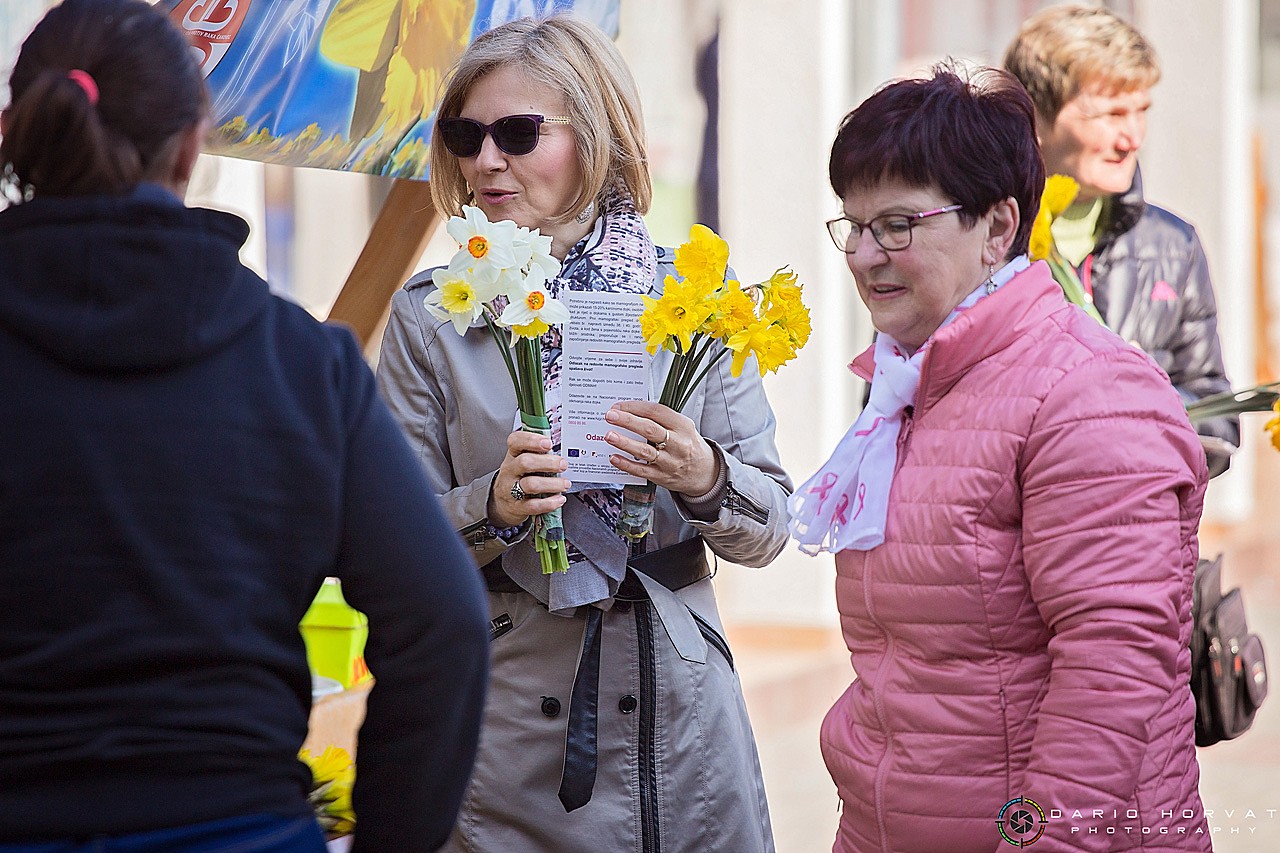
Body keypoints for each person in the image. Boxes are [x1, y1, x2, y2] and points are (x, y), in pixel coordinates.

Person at [0, 1, 489, 851]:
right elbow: (444, 623)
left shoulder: (301, 360)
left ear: (17, 129)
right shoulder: (300, 362)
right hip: (242, 825)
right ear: (194, 144)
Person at [376, 15, 789, 852]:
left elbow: (773, 525)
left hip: (681, 727)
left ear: (596, 134)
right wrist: (492, 506)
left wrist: (704, 474)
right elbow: (391, 549)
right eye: (464, 135)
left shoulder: (695, 298)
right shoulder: (435, 313)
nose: (486, 160)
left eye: (518, 133)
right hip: (512, 729)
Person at [788, 65, 1211, 852]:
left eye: (898, 224)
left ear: (998, 227)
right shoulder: (907, 386)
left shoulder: (1087, 391)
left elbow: (1111, 672)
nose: (864, 254)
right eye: (854, 225)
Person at [1004, 3, 1238, 477]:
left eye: (1141, 111)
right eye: (1111, 114)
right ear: (1032, 117)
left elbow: (1220, 421)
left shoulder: (1172, 246)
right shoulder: (978, 244)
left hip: (1140, 518)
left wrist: (1143, 406)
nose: (1131, 138)